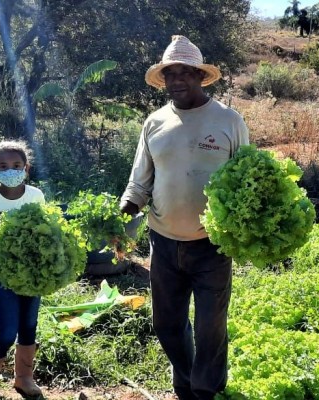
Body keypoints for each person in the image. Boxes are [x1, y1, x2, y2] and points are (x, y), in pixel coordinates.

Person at [119, 35, 249, 400]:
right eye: (170, 74)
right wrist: (127, 205)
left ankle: (205, 390)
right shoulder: (155, 123)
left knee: (211, 328)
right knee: (167, 324)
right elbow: (140, 178)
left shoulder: (228, 121)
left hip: (212, 246)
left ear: (200, 76)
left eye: (185, 73)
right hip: (163, 242)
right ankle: (186, 381)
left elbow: (247, 177)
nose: (177, 80)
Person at [0, 140, 45, 397]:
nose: (10, 170)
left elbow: (44, 232)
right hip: (4, 274)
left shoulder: (35, 196)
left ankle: (24, 379)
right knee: (6, 331)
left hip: (33, 274)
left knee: (28, 327)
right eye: (3, 166)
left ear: (26, 169)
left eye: (16, 165)